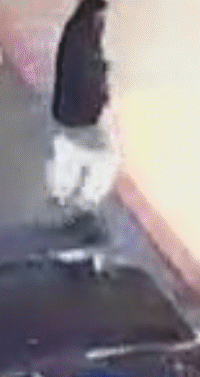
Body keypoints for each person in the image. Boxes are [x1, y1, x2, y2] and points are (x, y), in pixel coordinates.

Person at [48, 0, 120, 230]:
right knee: (107, 157)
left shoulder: (78, 27)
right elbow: (88, 79)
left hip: (64, 109)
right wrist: (101, 101)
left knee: (69, 148)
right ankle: (84, 207)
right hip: (81, 115)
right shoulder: (87, 32)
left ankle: (60, 192)